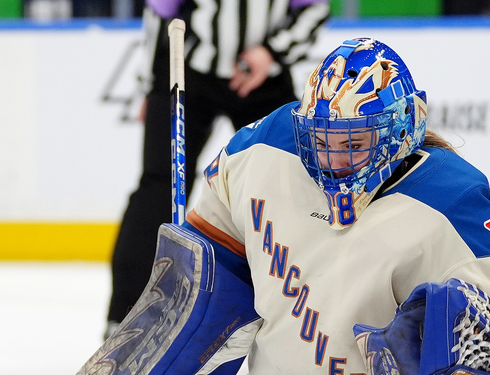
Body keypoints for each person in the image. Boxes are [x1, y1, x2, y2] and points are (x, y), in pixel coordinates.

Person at [174, 37, 490, 375]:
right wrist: (195, 341)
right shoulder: (261, 150)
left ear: (400, 128)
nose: (335, 160)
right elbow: (220, 251)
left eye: (354, 143)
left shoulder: (451, 197)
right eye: (322, 142)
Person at [106, 0, 331, 337]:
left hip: (264, 79)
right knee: (158, 185)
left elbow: (314, 8)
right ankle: (126, 316)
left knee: (296, 185)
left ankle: (307, 306)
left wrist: (272, 52)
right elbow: (162, 11)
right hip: (191, 71)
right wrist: (153, 83)